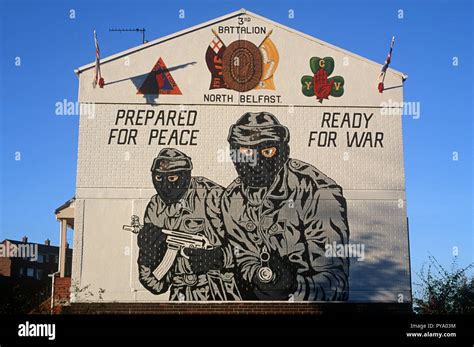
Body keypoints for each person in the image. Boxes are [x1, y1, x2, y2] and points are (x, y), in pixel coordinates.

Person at [221, 112, 350, 301]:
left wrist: (294, 286)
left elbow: (336, 284)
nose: (255, 164)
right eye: (246, 153)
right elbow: (244, 257)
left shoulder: (317, 193)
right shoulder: (232, 199)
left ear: (283, 152)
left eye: (267, 152)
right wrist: (259, 276)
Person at [137, 148, 241, 301]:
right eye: (159, 178)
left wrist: (219, 258)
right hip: (181, 294)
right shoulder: (155, 206)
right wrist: (149, 255)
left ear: (186, 176)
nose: (164, 186)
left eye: (172, 178)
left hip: (220, 290)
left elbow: (251, 249)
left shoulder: (212, 196)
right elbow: (155, 285)